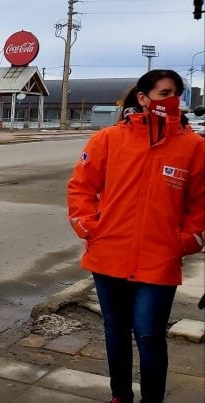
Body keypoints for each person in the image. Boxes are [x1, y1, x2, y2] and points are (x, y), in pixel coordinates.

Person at [67, 70, 205, 403]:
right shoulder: (107, 140)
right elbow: (81, 188)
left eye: (176, 94)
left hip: (159, 260)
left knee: (149, 334)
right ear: (142, 98)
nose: (171, 100)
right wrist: (88, 226)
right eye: (163, 93)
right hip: (108, 256)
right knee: (115, 330)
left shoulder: (193, 146)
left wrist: (187, 240)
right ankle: (120, 395)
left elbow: (200, 203)